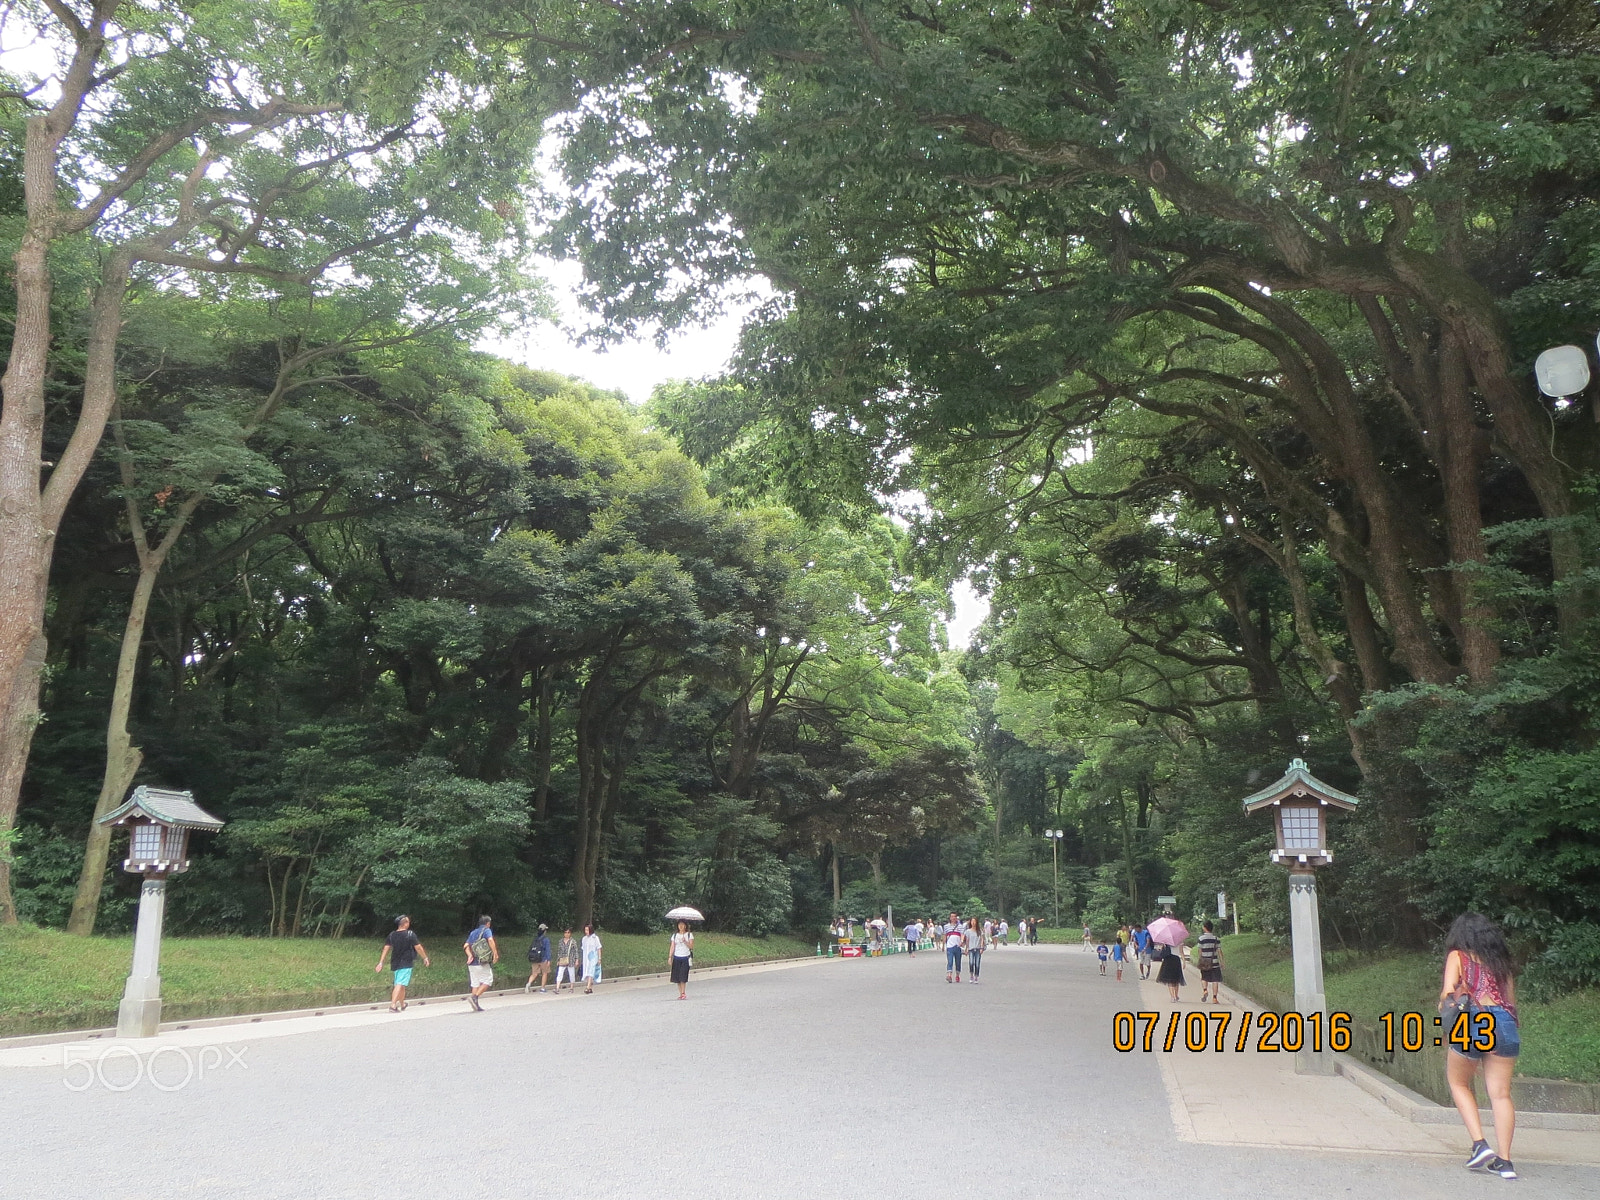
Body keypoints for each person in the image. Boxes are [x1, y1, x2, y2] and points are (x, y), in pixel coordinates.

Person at [1440, 912, 1520, 1180]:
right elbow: (1510, 1001)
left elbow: (1448, 993)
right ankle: (1505, 1161)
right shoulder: (1501, 962)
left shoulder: (1458, 956)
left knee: (1458, 1082)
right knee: (1500, 1094)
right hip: (1505, 1023)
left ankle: (1479, 1144)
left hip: (1473, 1020)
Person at [375, 914, 430, 1012]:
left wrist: (381, 962)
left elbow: (386, 949)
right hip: (406, 962)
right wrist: (425, 957)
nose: (409, 923)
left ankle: (402, 1004)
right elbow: (418, 947)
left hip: (395, 962)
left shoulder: (392, 935)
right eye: (408, 922)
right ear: (405, 924)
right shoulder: (410, 934)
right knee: (399, 983)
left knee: (401, 984)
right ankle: (393, 1005)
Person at [464, 915, 498, 1012]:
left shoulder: (473, 932)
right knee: (488, 980)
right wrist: (495, 953)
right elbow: (490, 940)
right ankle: (474, 997)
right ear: (488, 923)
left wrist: (469, 955)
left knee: (475, 983)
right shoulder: (486, 930)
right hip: (481, 962)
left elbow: (466, 946)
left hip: (472, 964)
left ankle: (475, 1005)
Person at [1196, 921, 1223, 1003]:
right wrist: (1222, 962)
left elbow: (1199, 950)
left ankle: (1205, 990)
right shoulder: (1216, 939)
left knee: (1204, 978)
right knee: (1215, 980)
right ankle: (1214, 998)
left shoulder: (1201, 939)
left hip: (1204, 962)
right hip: (1214, 962)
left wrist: (1200, 959)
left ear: (1204, 928)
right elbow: (1219, 951)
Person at [669, 919, 694, 999]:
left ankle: (683, 992)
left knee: (683, 976)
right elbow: (672, 946)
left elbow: (691, 946)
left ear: (685, 926)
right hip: (677, 957)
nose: (681, 926)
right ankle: (681, 993)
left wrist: (685, 942)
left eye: (682, 924)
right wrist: (670, 957)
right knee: (677, 977)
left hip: (685, 957)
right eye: (679, 924)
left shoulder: (689, 935)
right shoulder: (675, 935)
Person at [525, 923, 552, 993]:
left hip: (535, 959)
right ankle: (542, 988)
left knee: (534, 973)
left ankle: (528, 983)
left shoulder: (536, 939)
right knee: (545, 973)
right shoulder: (546, 939)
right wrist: (549, 959)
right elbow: (548, 950)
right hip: (543, 959)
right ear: (544, 931)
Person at [554, 927, 579, 992]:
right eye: (565, 932)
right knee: (560, 973)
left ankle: (571, 988)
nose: (567, 934)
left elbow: (576, 951)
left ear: (570, 933)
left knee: (571, 974)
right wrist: (558, 960)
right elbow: (559, 951)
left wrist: (576, 960)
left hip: (571, 959)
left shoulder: (573, 941)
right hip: (562, 959)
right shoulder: (561, 941)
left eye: (568, 932)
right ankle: (557, 988)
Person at [581, 923, 603, 994]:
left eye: (587, 930)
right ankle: (590, 987)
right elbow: (583, 949)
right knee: (587, 971)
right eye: (585, 930)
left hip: (593, 957)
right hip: (586, 958)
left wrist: (599, 958)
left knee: (591, 971)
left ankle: (587, 987)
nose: (586, 931)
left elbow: (599, 948)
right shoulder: (584, 939)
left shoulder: (595, 938)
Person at [944, 916, 965, 983]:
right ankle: (949, 975)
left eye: (954, 917)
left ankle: (957, 975)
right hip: (949, 946)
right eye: (952, 917)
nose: (953, 918)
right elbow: (945, 935)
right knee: (950, 961)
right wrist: (943, 944)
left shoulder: (960, 926)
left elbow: (962, 934)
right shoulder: (946, 926)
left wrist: (961, 941)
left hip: (957, 946)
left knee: (958, 962)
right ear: (950, 918)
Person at [965, 917, 984, 983]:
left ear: (976, 922)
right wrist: (966, 948)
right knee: (971, 963)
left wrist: (981, 948)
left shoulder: (979, 931)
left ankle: (976, 976)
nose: (973, 923)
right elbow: (967, 940)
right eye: (972, 921)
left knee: (977, 963)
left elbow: (981, 939)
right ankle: (971, 975)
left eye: (974, 921)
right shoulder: (968, 931)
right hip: (971, 949)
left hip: (978, 949)